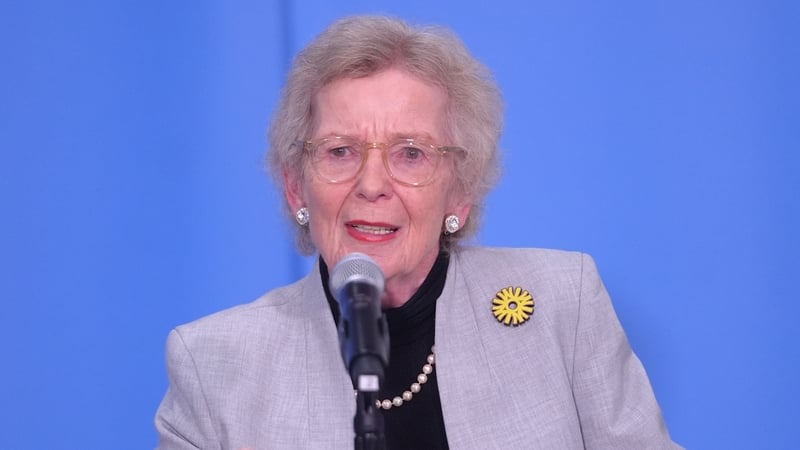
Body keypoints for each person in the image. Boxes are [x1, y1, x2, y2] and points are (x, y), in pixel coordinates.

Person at [155, 15, 681, 449]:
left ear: (460, 190)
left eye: (411, 153)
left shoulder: (563, 305)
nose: (372, 184)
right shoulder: (215, 365)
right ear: (296, 188)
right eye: (340, 151)